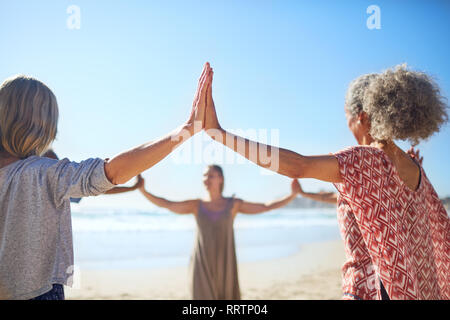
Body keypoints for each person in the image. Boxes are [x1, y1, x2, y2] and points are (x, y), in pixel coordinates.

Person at [202, 64, 449, 300]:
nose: (348, 125)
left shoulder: (363, 161)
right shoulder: (414, 167)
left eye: (348, 118)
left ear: (362, 118)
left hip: (370, 290)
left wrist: (219, 133)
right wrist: (307, 195)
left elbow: (297, 165)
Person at [0, 63, 212, 300]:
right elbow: (105, 174)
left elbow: (93, 184)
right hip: (37, 292)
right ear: (43, 125)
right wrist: (187, 130)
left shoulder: (39, 170)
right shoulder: (42, 170)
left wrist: (130, 187)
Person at [137, 165, 301, 299]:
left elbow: (266, 206)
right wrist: (143, 191)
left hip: (225, 262)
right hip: (202, 263)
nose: (206, 179)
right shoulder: (196, 205)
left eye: (211, 176)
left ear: (221, 179)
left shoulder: (233, 204)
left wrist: (292, 195)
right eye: (204, 176)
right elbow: (167, 204)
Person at [43, 149, 145, 202]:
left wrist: (133, 188)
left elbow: (97, 185)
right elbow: (96, 184)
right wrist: (133, 187)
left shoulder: (59, 186)